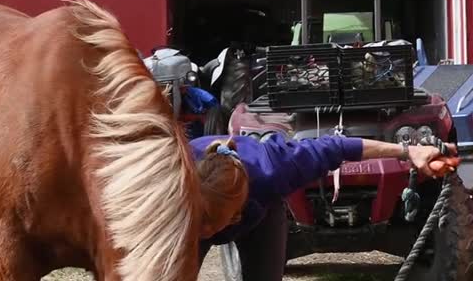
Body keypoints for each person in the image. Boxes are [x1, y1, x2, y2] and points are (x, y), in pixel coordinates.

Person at [192, 133, 459, 279]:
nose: (208, 231)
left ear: (237, 211)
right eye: (204, 219)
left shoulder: (275, 169)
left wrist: (409, 151)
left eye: (214, 222)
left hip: (261, 207)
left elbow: (338, 146)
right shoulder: (169, 181)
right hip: (183, 210)